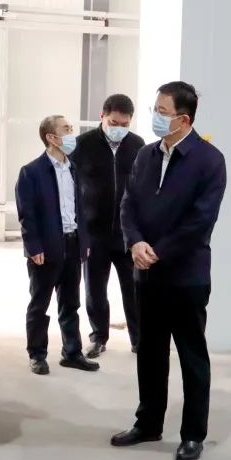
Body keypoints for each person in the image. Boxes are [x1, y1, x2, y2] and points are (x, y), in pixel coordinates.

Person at [110, 82, 227, 460]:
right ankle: (148, 423)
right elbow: (128, 204)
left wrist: (157, 252)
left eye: (162, 112)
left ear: (184, 119)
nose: (155, 117)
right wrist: (134, 242)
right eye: (155, 110)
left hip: (186, 276)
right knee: (150, 353)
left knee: (192, 356)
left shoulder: (209, 161)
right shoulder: (146, 155)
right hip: (147, 275)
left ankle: (192, 434)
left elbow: (200, 221)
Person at [15, 115, 99, 376]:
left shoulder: (74, 168)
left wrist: (84, 241)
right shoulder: (31, 172)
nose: (72, 133)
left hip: (73, 244)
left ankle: (72, 353)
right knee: (39, 304)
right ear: (51, 137)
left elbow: (80, 209)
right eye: (67, 129)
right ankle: (37, 355)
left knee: (70, 303)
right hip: (47, 247)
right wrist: (33, 247)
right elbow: (27, 214)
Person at [70, 94, 145, 358]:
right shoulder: (82, 144)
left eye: (125, 124)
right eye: (114, 123)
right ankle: (98, 337)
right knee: (95, 290)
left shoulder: (137, 145)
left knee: (134, 289)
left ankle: (139, 339)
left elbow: (142, 189)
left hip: (127, 234)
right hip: (94, 233)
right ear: (102, 116)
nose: (119, 128)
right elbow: (71, 186)